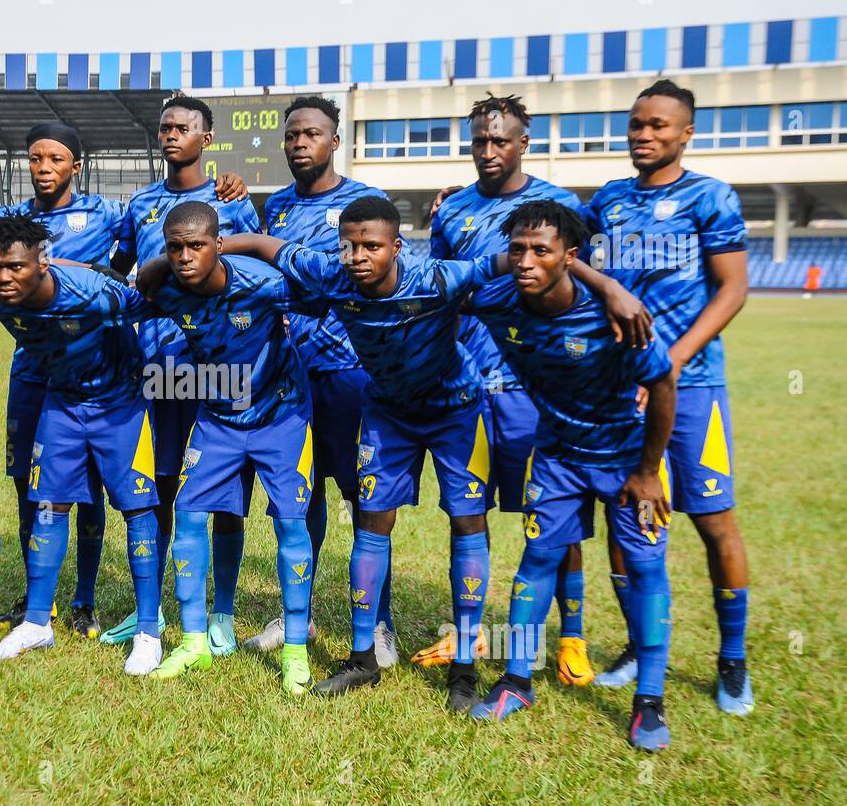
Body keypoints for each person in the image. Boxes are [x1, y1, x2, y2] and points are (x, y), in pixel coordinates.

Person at [215, 197, 650, 705]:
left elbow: (515, 260)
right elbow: (272, 246)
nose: (358, 256)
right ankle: (362, 659)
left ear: (397, 247)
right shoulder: (330, 272)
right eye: (349, 246)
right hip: (386, 414)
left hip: (456, 413)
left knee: (468, 525)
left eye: (372, 246)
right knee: (372, 522)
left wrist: (610, 285)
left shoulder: (438, 278)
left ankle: (463, 667)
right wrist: (223, 246)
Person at [464, 200, 677, 752]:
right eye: (518, 249)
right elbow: (460, 281)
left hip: (629, 458)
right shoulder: (497, 302)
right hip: (558, 454)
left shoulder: (616, 317)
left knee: (647, 569)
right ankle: (516, 681)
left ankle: (648, 702)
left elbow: (665, 387)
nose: (527, 261)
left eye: (542, 251)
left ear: (570, 257)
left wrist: (650, 471)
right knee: (536, 561)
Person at [584, 80, 754, 715]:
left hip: (694, 385)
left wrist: (670, 364)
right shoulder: (609, 201)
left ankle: (732, 658)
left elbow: (732, 289)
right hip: (618, 390)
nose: (644, 135)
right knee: (628, 517)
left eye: (658, 125)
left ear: (686, 133)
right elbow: (572, 259)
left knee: (713, 520)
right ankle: (637, 644)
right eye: (636, 125)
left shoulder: (711, 197)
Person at [414, 93, 593, 688]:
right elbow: (440, 290)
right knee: (468, 514)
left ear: (523, 143)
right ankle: (468, 631)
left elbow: (585, 291)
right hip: (465, 387)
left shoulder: (560, 207)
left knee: (552, 518)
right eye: (480, 141)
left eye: (501, 141)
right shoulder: (451, 211)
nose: (489, 151)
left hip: (533, 389)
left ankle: (569, 637)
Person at [241, 95, 398, 668]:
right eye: (291, 136)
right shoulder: (275, 206)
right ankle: (294, 614)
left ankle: (379, 625)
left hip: (349, 376)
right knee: (297, 502)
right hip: (288, 382)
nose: (299, 143)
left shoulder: (361, 204)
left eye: (311, 134)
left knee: (365, 503)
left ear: (335, 141)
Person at [0, 215, 166, 675]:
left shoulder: (92, 292)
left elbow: (152, 301)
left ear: (43, 262)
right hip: (60, 402)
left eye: (15, 267)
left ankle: (148, 633)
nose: (4, 277)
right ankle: (37, 623)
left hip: (120, 405)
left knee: (137, 510)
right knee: (48, 505)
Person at [100, 94, 261, 646]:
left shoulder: (231, 201)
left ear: (206, 138)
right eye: (165, 127)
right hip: (160, 368)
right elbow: (122, 279)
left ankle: (222, 614)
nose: (171, 135)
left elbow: (256, 282)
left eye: (183, 127)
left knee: (224, 490)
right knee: (162, 483)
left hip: (222, 369)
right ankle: (158, 611)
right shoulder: (141, 203)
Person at [135, 202, 315, 694]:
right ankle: (194, 642)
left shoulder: (264, 283)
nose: (186, 257)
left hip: (282, 416)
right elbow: (134, 289)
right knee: (189, 515)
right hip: (217, 418)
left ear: (219, 244)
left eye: (197, 245)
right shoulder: (168, 288)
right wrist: (153, 265)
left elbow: (324, 298)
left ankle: (296, 650)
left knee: (290, 523)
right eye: (175, 248)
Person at [0, 122, 127, 640]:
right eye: (35, 158)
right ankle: (41, 598)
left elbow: (150, 236)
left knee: (89, 488)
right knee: (27, 484)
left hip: (91, 368)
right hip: (32, 368)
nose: (44, 168)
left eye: (55, 159)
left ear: (75, 166)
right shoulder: (7, 221)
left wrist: (225, 187)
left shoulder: (104, 213)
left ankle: (85, 599)